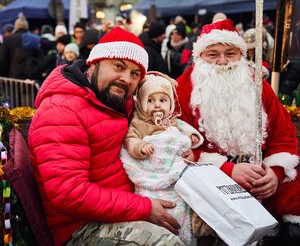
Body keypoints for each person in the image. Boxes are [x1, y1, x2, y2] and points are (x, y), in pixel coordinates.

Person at [28, 26, 184, 246]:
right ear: (94, 63)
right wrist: (144, 207)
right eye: (118, 67)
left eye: (135, 74)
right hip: (82, 228)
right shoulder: (62, 109)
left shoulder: (115, 102)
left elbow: (166, 134)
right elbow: (69, 193)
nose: (126, 79)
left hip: (128, 203)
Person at [176, 19, 299, 239]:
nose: (222, 61)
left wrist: (275, 174)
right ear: (199, 56)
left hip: (260, 179)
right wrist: (227, 170)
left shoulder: (259, 86)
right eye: (213, 54)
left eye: (230, 53)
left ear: (241, 56)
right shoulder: (183, 89)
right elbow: (175, 148)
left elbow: (284, 136)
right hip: (208, 186)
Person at [120, 71, 203, 245]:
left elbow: (183, 128)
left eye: (163, 100)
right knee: (163, 212)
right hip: (152, 175)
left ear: (171, 103)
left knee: (182, 206)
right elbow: (130, 140)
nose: (157, 106)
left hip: (175, 175)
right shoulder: (139, 122)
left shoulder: (171, 120)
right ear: (141, 103)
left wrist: (192, 137)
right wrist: (140, 147)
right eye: (150, 100)